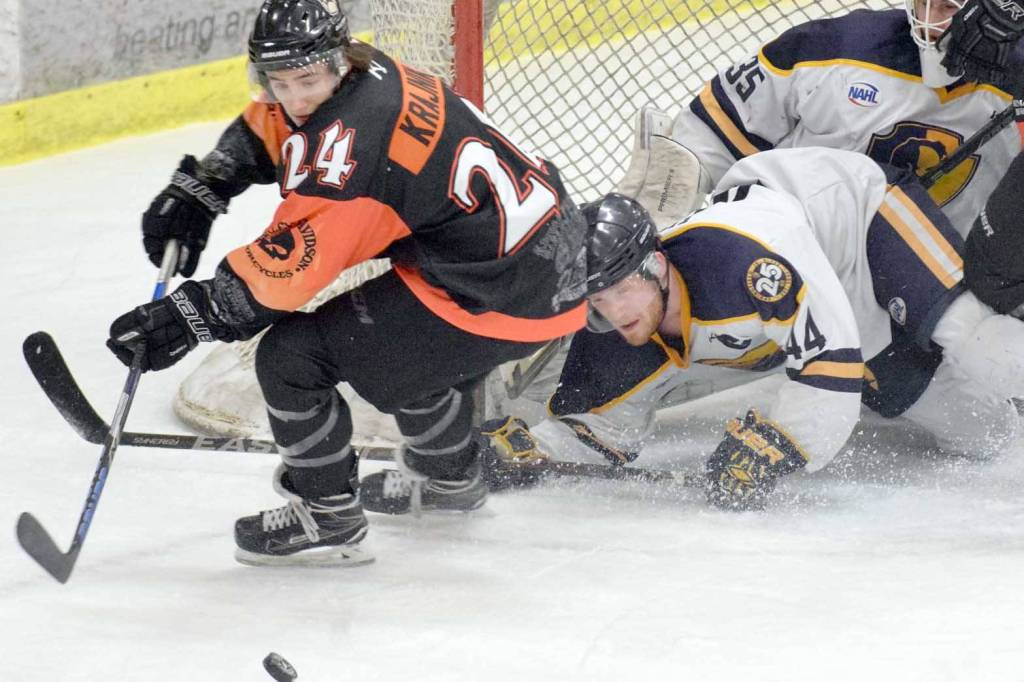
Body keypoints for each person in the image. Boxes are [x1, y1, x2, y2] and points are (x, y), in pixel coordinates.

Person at [105, 0, 588, 566]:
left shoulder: (352, 150)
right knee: (408, 351)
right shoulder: (366, 69)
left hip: (498, 289)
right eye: (279, 80)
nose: (294, 96)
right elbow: (277, 123)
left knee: (292, 358)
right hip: (542, 267)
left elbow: (280, 280)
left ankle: (328, 515)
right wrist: (209, 183)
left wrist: (187, 316)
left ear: (336, 62)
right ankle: (450, 479)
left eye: (306, 80)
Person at [491, 146, 1024, 510]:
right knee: (986, 431)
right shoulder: (618, 329)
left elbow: (829, 361)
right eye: (597, 300)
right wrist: (530, 449)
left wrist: (780, 443)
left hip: (859, 218)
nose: (613, 310)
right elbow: (599, 430)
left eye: (621, 289)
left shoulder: (743, 264)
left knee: (986, 353)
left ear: (656, 265)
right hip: (821, 293)